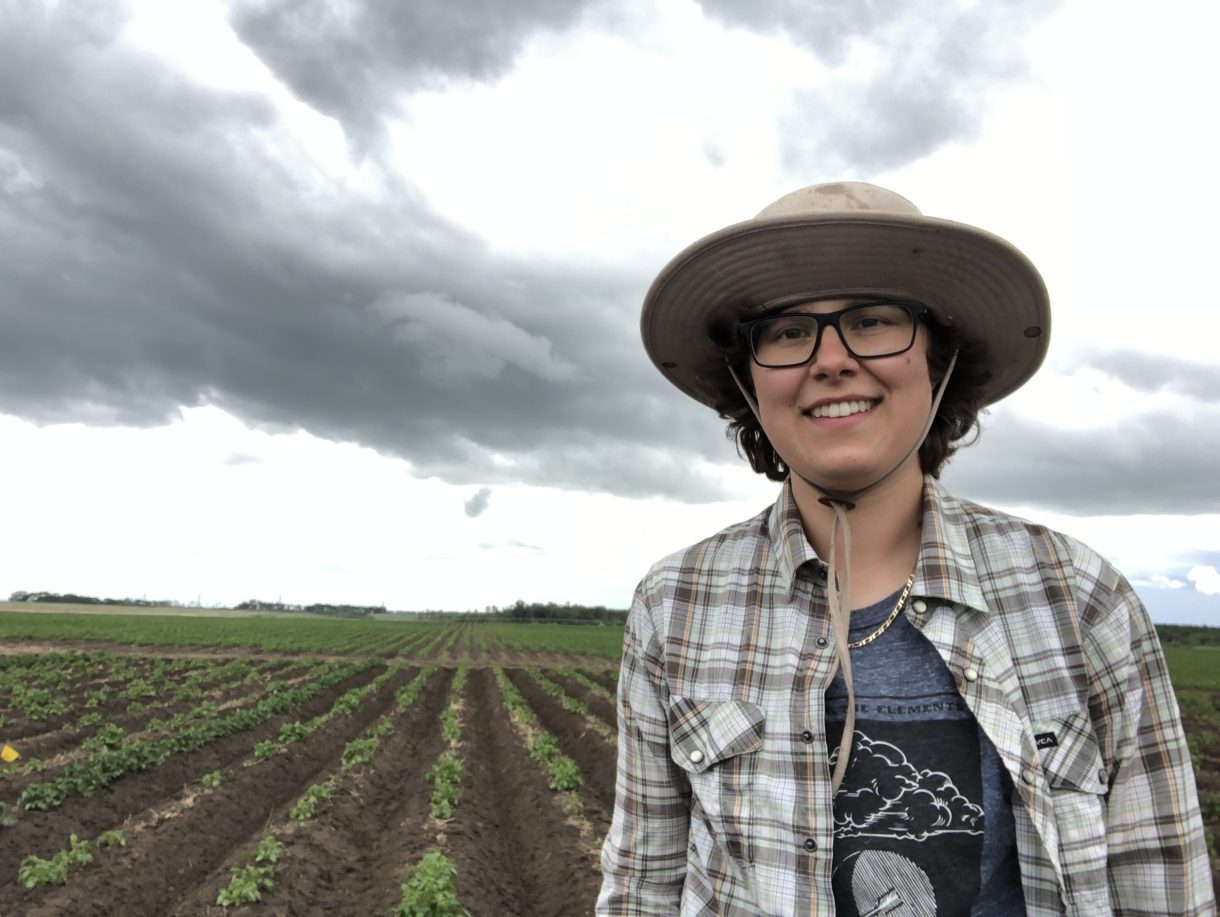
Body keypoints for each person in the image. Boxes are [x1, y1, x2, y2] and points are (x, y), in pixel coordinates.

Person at [596, 182, 1215, 915]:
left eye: (874, 320)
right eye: (789, 331)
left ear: (938, 361)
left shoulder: (1080, 598)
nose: (831, 359)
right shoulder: (677, 604)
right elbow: (643, 886)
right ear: (749, 379)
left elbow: (1165, 889)